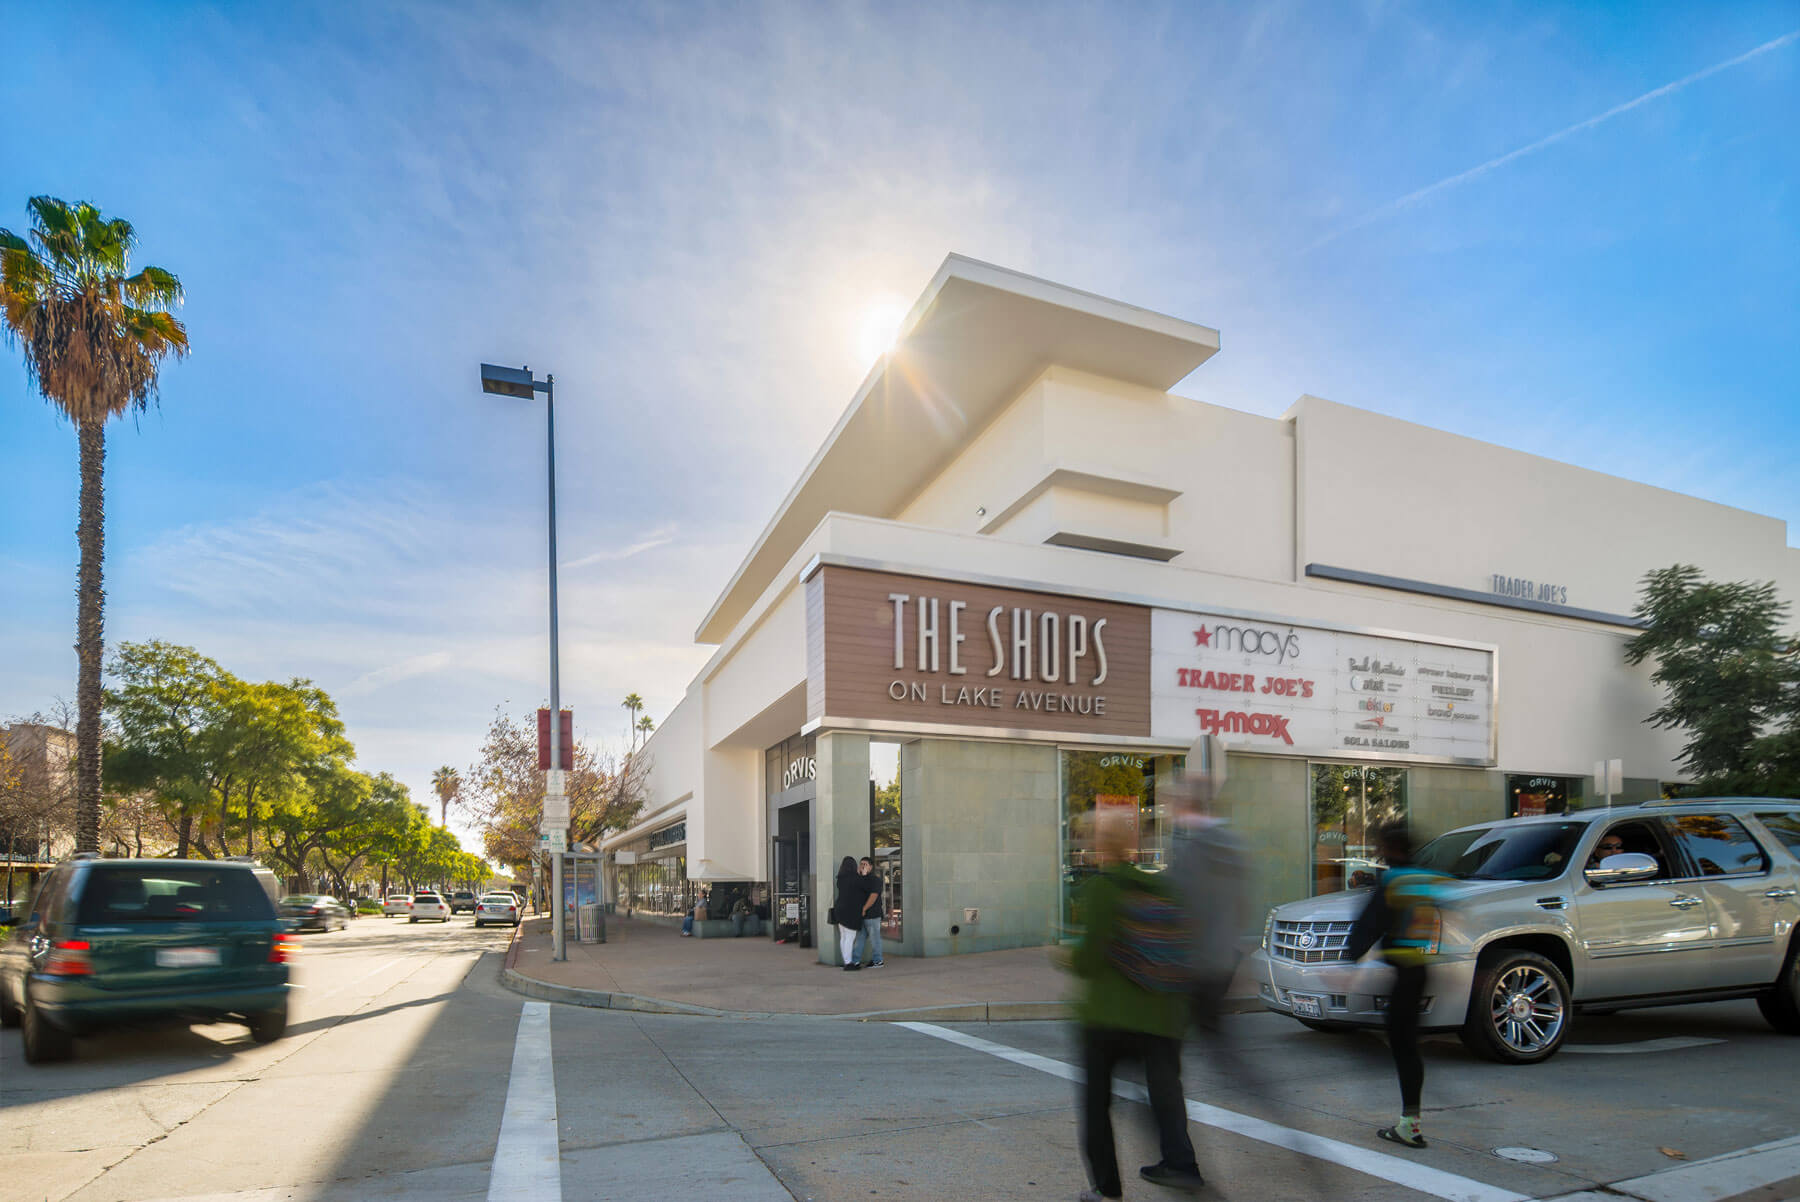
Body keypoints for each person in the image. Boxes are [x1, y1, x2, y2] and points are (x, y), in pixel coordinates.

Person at [1066, 809, 1202, 1200]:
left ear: (1099, 845)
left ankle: (1106, 1188)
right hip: (1162, 1014)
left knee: (1096, 1105)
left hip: (1109, 1016)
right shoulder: (1165, 887)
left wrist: (1067, 957)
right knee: (1165, 1094)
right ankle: (1182, 1164)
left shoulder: (1103, 888)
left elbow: (1090, 960)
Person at [1345, 820, 1445, 1150]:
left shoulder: (1392, 881)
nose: (1379, 852)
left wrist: (1349, 958)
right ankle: (1410, 1124)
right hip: (1421, 970)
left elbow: (1369, 925)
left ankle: (1409, 1127)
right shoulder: (1424, 879)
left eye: (1381, 847)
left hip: (1403, 975)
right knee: (1408, 1047)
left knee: (1403, 1048)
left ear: (1391, 848)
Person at [833, 856, 866, 971]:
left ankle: (846, 961)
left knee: (843, 936)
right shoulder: (855, 878)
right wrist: (863, 874)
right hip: (850, 911)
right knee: (850, 937)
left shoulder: (840, 878)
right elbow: (863, 888)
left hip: (839, 909)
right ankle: (848, 963)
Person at [852, 857, 885, 967]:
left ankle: (878, 960)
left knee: (875, 939)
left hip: (873, 915)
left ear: (871, 867)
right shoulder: (860, 879)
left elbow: (873, 896)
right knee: (859, 939)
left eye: (865, 864)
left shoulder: (875, 880)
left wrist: (864, 909)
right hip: (862, 916)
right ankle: (855, 961)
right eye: (861, 864)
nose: (862, 866)